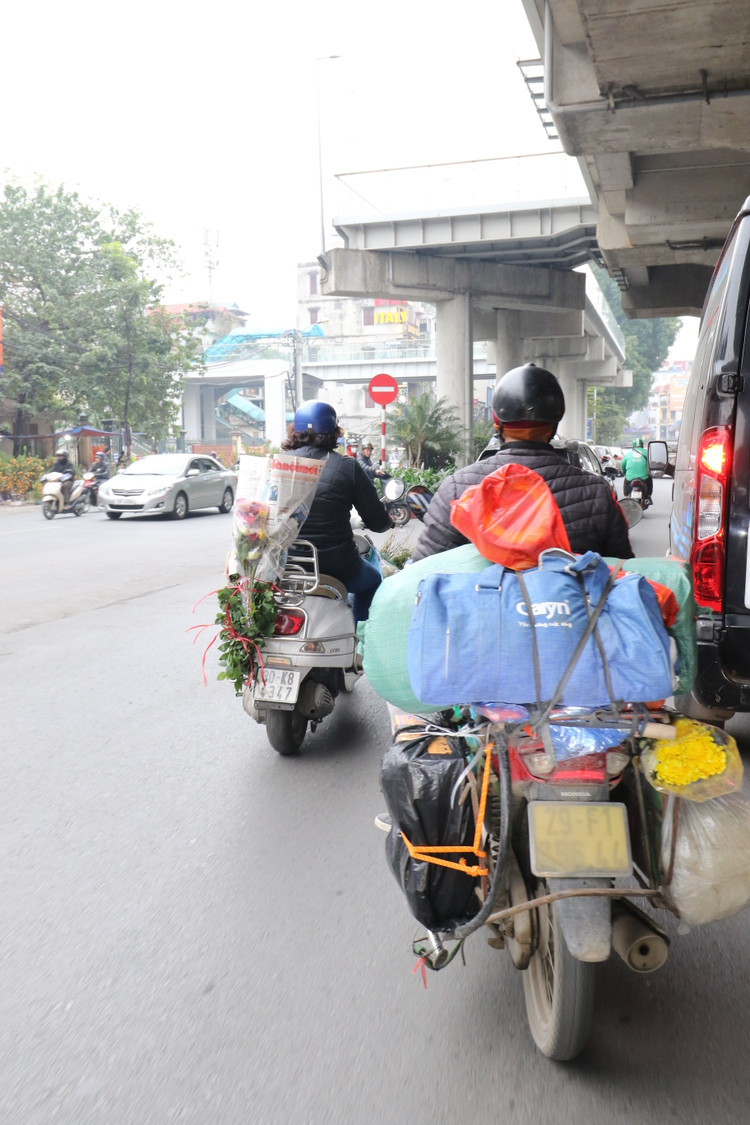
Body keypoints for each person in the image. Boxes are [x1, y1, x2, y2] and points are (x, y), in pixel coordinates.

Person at [412, 363, 634, 563]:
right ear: (555, 421)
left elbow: (420, 572)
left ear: (497, 422)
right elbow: (619, 572)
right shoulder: (596, 493)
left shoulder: (456, 488)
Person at [282, 401, 394, 625]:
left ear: (295, 431)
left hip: (287, 565)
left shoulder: (279, 465)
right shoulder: (347, 466)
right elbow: (377, 522)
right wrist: (387, 520)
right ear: (334, 433)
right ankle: (361, 640)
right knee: (373, 580)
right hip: (339, 566)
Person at [620, 438, 653, 505]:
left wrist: (624, 472)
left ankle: (626, 497)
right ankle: (648, 496)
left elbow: (623, 465)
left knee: (626, 481)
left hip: (630, 477)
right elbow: (651, 464)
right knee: (650, 480)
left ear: (633, 446)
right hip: (644, 477)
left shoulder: (628, 454)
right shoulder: (647, 453)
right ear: (642, 445)